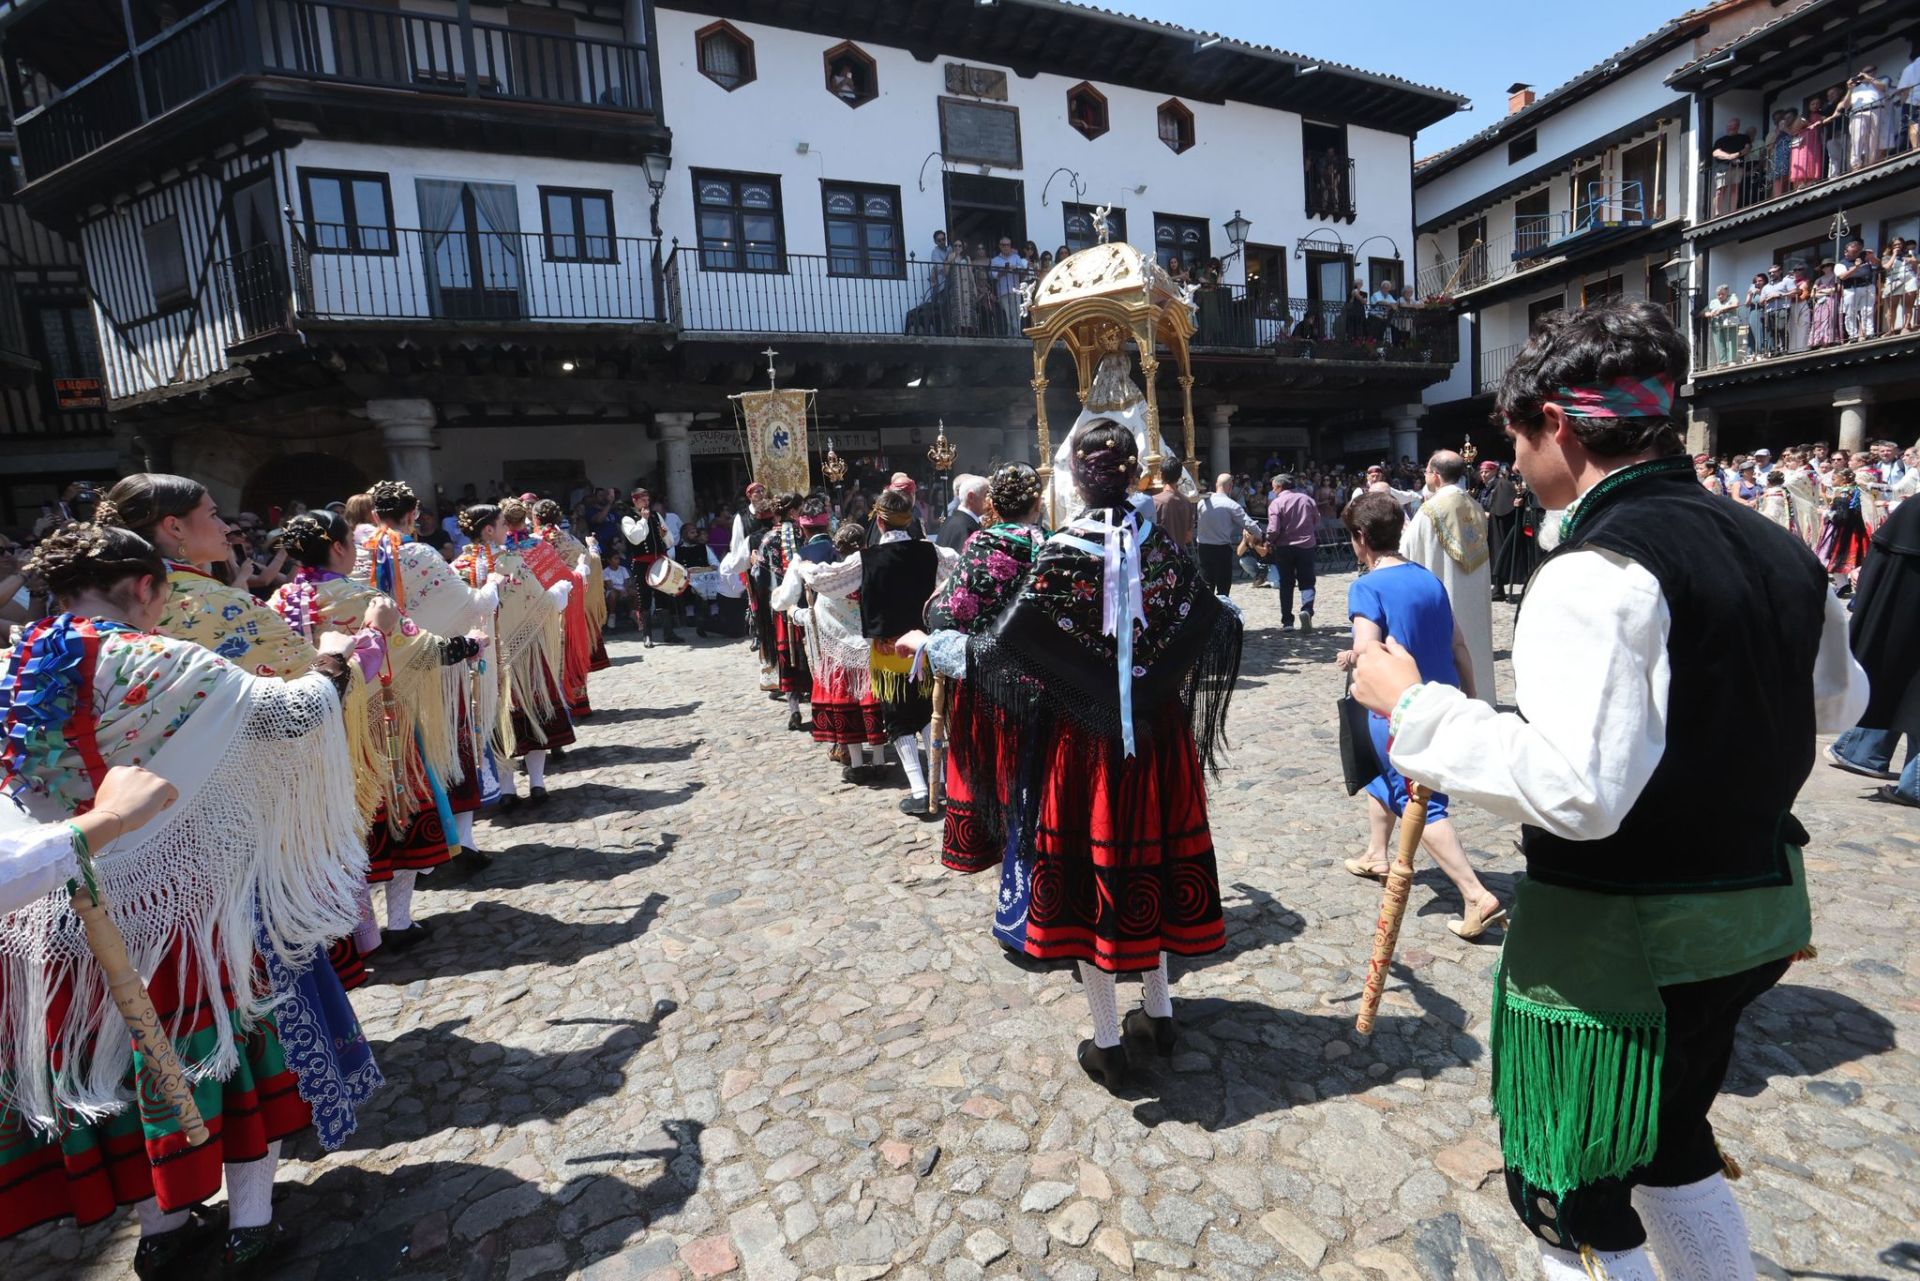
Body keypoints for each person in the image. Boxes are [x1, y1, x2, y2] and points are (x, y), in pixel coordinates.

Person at [1352, 300, 1868, 1281]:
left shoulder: (1597, 570)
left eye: (1514, 433)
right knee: (1670, 1144)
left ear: (1555, 423)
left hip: (1631, 944)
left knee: (1569, 1187)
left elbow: (1580, 792)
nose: (1512, 456)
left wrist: (1415, 708)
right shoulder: (1775, 545)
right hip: (1753, 917)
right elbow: (1841, 701)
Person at [0, 523, 372, 1270]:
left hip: (64, 913)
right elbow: (287, 717)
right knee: (232, 1060)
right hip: (189, 912)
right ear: (145, 587)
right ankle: (252, 1223)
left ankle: (162, 1233)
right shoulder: (164, 661)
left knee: (116, 1073)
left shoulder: (11, 671)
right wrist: (333, 663)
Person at [894, 418, 1241, 1092]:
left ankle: (1110, 1041)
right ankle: (1159, 1014)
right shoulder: (1161, 548)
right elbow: (1214, 619)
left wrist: (928, 646)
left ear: (1075, 479)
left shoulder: (1062, 551)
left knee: (1091, 882)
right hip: (1159, 739)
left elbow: (997, 654)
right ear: (1134, 469)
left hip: (1082, 752)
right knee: (1154, 863)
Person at [1337, 492, 1504, 938]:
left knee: (1421, 803)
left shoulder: (1366, 586)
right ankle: (1377, 852)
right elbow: (1459, 646)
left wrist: (1352, 657)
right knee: (1385, 780)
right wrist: (1471, 701)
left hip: (1396, 709)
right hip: (1443, 698)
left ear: (1361, 538)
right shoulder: (1429, 579)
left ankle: (1475, 895)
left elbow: (1370, 651)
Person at [923, 462, 1047, 877]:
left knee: (995, 780)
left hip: (988, 686)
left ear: (992, 504)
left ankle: (1004, 876)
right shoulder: (1050, 544)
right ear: (1038, 502)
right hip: (1043, 688)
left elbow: (947, 614)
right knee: (1036, 784)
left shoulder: (982, 543)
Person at [1826, 490, 1920, 805]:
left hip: (1894, 618)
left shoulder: (1911, 509)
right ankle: (1910, 781)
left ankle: (1861, 751)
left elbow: (1877, 565)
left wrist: (1864, 609)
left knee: (1891, 676)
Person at [1400, 451, 1496, 704]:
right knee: (1474, 640)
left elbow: (1405, 553)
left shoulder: (1430, 510)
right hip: (1474, 595)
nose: (1424, 475)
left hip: (1442, 594)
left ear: (1435, 475)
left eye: (1426, 471)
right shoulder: (1475, 506)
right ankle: (1482, 695)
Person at [1265, 473, 1320, 629]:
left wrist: (1269, 541)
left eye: (1274, 487)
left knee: (1286, 583)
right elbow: (1316, 519)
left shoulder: (1276, 503)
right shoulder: (1307, 499)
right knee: (1307, 580)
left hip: (1285, 547)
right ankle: (1307, 610)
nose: (1273, 491)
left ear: (1279, 487)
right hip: (1306, 546)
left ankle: (1287, 621)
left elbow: (1274, 528)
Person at [1194, 472, 1261, 596]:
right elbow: (1249, 524)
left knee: (1207, 585)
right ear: (1230, 486)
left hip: (1203, 548)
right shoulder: (1231, 505)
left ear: (1216, 485)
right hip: (1221, 549)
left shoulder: (1201, 503)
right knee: (1223, 588)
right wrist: (1261, 535)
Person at [1835, 238, 1879, 341]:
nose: (1855, 254)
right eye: (1853, 252)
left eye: (1857, 251)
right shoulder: (1841, 264)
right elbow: (1842, 276)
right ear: (1846, 252)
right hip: (1850, 289)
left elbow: (1879, 265)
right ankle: (1853, 335)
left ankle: (1869, 332)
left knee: (1868, 311)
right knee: (1850, 313)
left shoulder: (1866, 259)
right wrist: (1856, 267)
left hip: (1867, 287)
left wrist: (1872, 257)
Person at [936, 474, 988, 551]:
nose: (990, 500)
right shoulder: (965, 528)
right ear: (971, 497)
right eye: (986, 494)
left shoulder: (950, 521)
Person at [1710, 118, 1750, 216]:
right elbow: (1715, 153)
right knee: (1720, 190)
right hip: (1722, 167)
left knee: (1734, 188)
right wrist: (1729, 157)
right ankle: (1717, 213)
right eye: (1730, 126)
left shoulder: (1744, 137)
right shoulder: (1720, 140)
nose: (1731, 128)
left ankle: (1733, 210)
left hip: (1737, 166)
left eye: (1734, 126)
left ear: (1738, 127)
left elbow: (1747, 149)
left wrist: (1736, 155)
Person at [1151, 458, 1196, 547]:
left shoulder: (1154, 501)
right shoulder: (1187, 502)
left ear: (1161, 475)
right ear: (1179, 476)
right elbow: (1188, 537)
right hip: (1180, 555)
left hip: (1161, 557)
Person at [989, 237, 1027, 336]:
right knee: (1007, 316)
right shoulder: (995, 260)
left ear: (1010, 246)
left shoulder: (1016, 257)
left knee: (1017, 315)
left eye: (1008, 245)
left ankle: (1017, 336)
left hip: (1016, 291)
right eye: (1003, 245)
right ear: (1000, 246)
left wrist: (1015, 268)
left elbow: (1023, 271)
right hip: (1004, 291)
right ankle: (1009, 336)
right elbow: (994, 275)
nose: (1006, 247)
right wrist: (1004, 271)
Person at [1704, 284, 1744, 366]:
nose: (1720, 296)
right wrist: (1707, 314)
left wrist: (1722, 309)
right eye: (1718, 294)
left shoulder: (1732, 297)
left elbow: (1736, 304)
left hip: (1730, 323)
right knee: (1719, 343)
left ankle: (1731, 360)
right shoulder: (1713, 302)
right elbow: (1704, 312)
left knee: (1731, 342)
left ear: (1727, 293)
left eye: (1722, 294)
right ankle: (1722, 362)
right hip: (1716, 324)